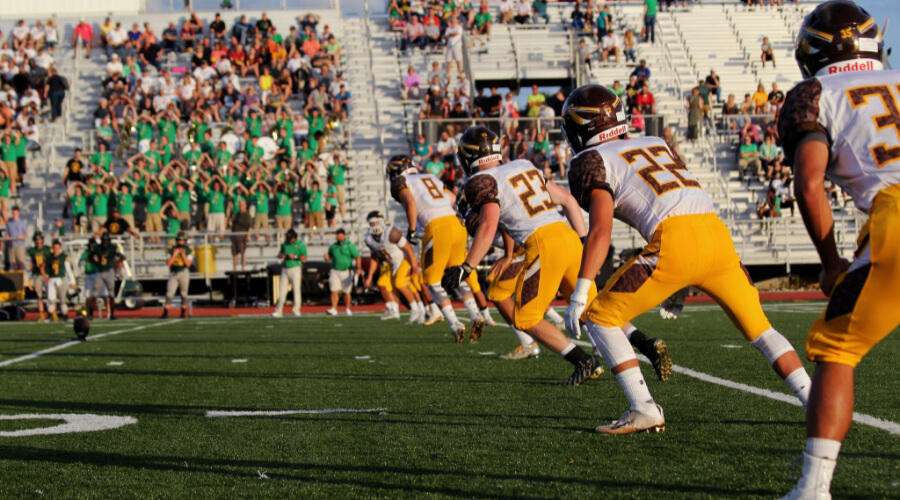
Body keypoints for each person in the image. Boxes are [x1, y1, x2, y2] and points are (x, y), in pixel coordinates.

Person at [560, 84, 810, 434]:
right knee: (761, 330)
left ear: (580, 126)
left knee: (599, 317)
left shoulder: (591, 160)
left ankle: (643, 407)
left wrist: (580, 291)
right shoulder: (655, 142)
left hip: (673, 242)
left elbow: (601, 230)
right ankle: (813, 399)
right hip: (716, 235)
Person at [777, 3, 898, 498]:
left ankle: (813, 489)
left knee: (836, 350)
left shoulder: (815, 93)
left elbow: (809, 183)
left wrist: (830, 263)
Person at [444, 126, 603, 384]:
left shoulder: (479, 181)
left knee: (525, 317)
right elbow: (568, 201)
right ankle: (642, 347)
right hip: (569, 236)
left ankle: (583, 361)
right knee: (595, 309)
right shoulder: (523, 165)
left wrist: (467, 266)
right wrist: (584, 242)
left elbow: (489, 224)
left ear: (467, 157)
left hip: (542, 244)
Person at [387, 154, 486, 341]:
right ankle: (475, 315)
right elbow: (453, 198)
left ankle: (455, 324)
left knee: (431, 280)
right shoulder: (430, 177)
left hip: (437, 227)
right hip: (457, 225)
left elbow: (410, 201)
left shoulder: (400, 181)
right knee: (455, 274)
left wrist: (412, 229)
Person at [363, 211, 429, 324]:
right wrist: (369, 276)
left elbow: (408, 249)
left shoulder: (391, 232)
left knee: (402, 284)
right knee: (387, 285)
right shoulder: (369, 238)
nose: (374, 226)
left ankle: (420, 309)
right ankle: (401, 310)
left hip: (404, 260)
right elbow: (374, 257)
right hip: (391, 264)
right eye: (372, 224)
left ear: (382, 221)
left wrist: (413, 266)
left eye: (376, 223)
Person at [272, 229, 308, 318]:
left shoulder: (300, 245)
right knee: (282, 291)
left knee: (296, 290)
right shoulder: (285, 244)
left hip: (295, 268)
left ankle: (296, 310)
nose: (289, 240)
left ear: (294, 238)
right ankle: (279, 310)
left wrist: (295, 257)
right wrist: (282, 256)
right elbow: (279, 254)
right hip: (285, 268)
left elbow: (305, 257)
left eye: (290, 238)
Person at [90, 233, 125, 320]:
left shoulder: (112, 248)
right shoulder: (97, 247)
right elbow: (90, 257)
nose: (105, 242)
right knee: (94, 294)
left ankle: (112, 314)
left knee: (111, 294)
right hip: (100, 271)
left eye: (107, 240)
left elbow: (122, 257)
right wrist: (95, 261)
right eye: (104, 240)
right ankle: (90, 314)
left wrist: (117, 262)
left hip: (108, 271)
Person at [325, 228, 360, 316]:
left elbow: (357, 256)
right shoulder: (333, 246)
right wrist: (326, 257)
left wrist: (359, 267)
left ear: (343, 235)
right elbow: (329, 257)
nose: (337, 236)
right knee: (334, 290)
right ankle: (334, 308)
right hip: (335, 270)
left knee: (347, 292)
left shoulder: (349, 245)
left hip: (346, 271)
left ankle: (347, 308)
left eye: (339, 234)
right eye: (337, 235)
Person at [161, 233, 193, 319]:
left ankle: (182, 313)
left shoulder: (189, 250)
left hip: (184, 272)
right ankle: (165, 312)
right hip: (173, 272)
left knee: (183, 293)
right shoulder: (171, 249)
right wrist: (174, 254)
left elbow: (188, 264)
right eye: (179, 240)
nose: (180, 242)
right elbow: (169, 263)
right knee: (169, 293)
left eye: (182, 240)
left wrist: (182, 255)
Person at [45, 239, 75, 322]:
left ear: (60, 248)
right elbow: (46, 269)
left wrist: (72, 281)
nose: (56, 250)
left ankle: (65, 316)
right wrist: (46, 277)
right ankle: (50, 316)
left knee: (63, 299)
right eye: (54, 248)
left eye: (57, 248)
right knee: (51, 299)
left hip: (61, 279)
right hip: (52, 279)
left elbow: (69, 270)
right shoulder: (49, 256)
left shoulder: (63, 256)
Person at [28, 232, 50, 322]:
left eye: (40, 239)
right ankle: (41, 315)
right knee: (39, 295)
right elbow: (32, 263)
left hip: (47, 274)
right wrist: (30, 275)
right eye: (37, 239)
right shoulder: (32, 251)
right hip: (37, 274)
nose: (38, 241)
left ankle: (51, 313)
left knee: (50, 295)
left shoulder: (47, 249)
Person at [230, 199, 251, 272]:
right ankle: (234, 269)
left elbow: (250, 226)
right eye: (240, 205)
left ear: (245, 205)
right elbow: (233, 224)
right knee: (235, 254)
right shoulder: (237, 214)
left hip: (242, 237)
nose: (241, 206)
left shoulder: (247, 214)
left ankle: (243, 269)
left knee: (242, 253)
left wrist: (248, 235)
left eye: (242, 205)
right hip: (235, 236)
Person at [6, 206, 27, 271]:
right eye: (13, 213)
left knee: (20, 262)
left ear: (18, 213)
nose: (14, 214)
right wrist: (7, 236)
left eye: (15, 213)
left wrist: (20, 236)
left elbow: (25, 233)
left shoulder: (22, 223)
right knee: (13, 262)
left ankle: (21, 277)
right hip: (11, 245)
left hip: (19, 245)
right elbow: (7, 233)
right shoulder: (9, 223)